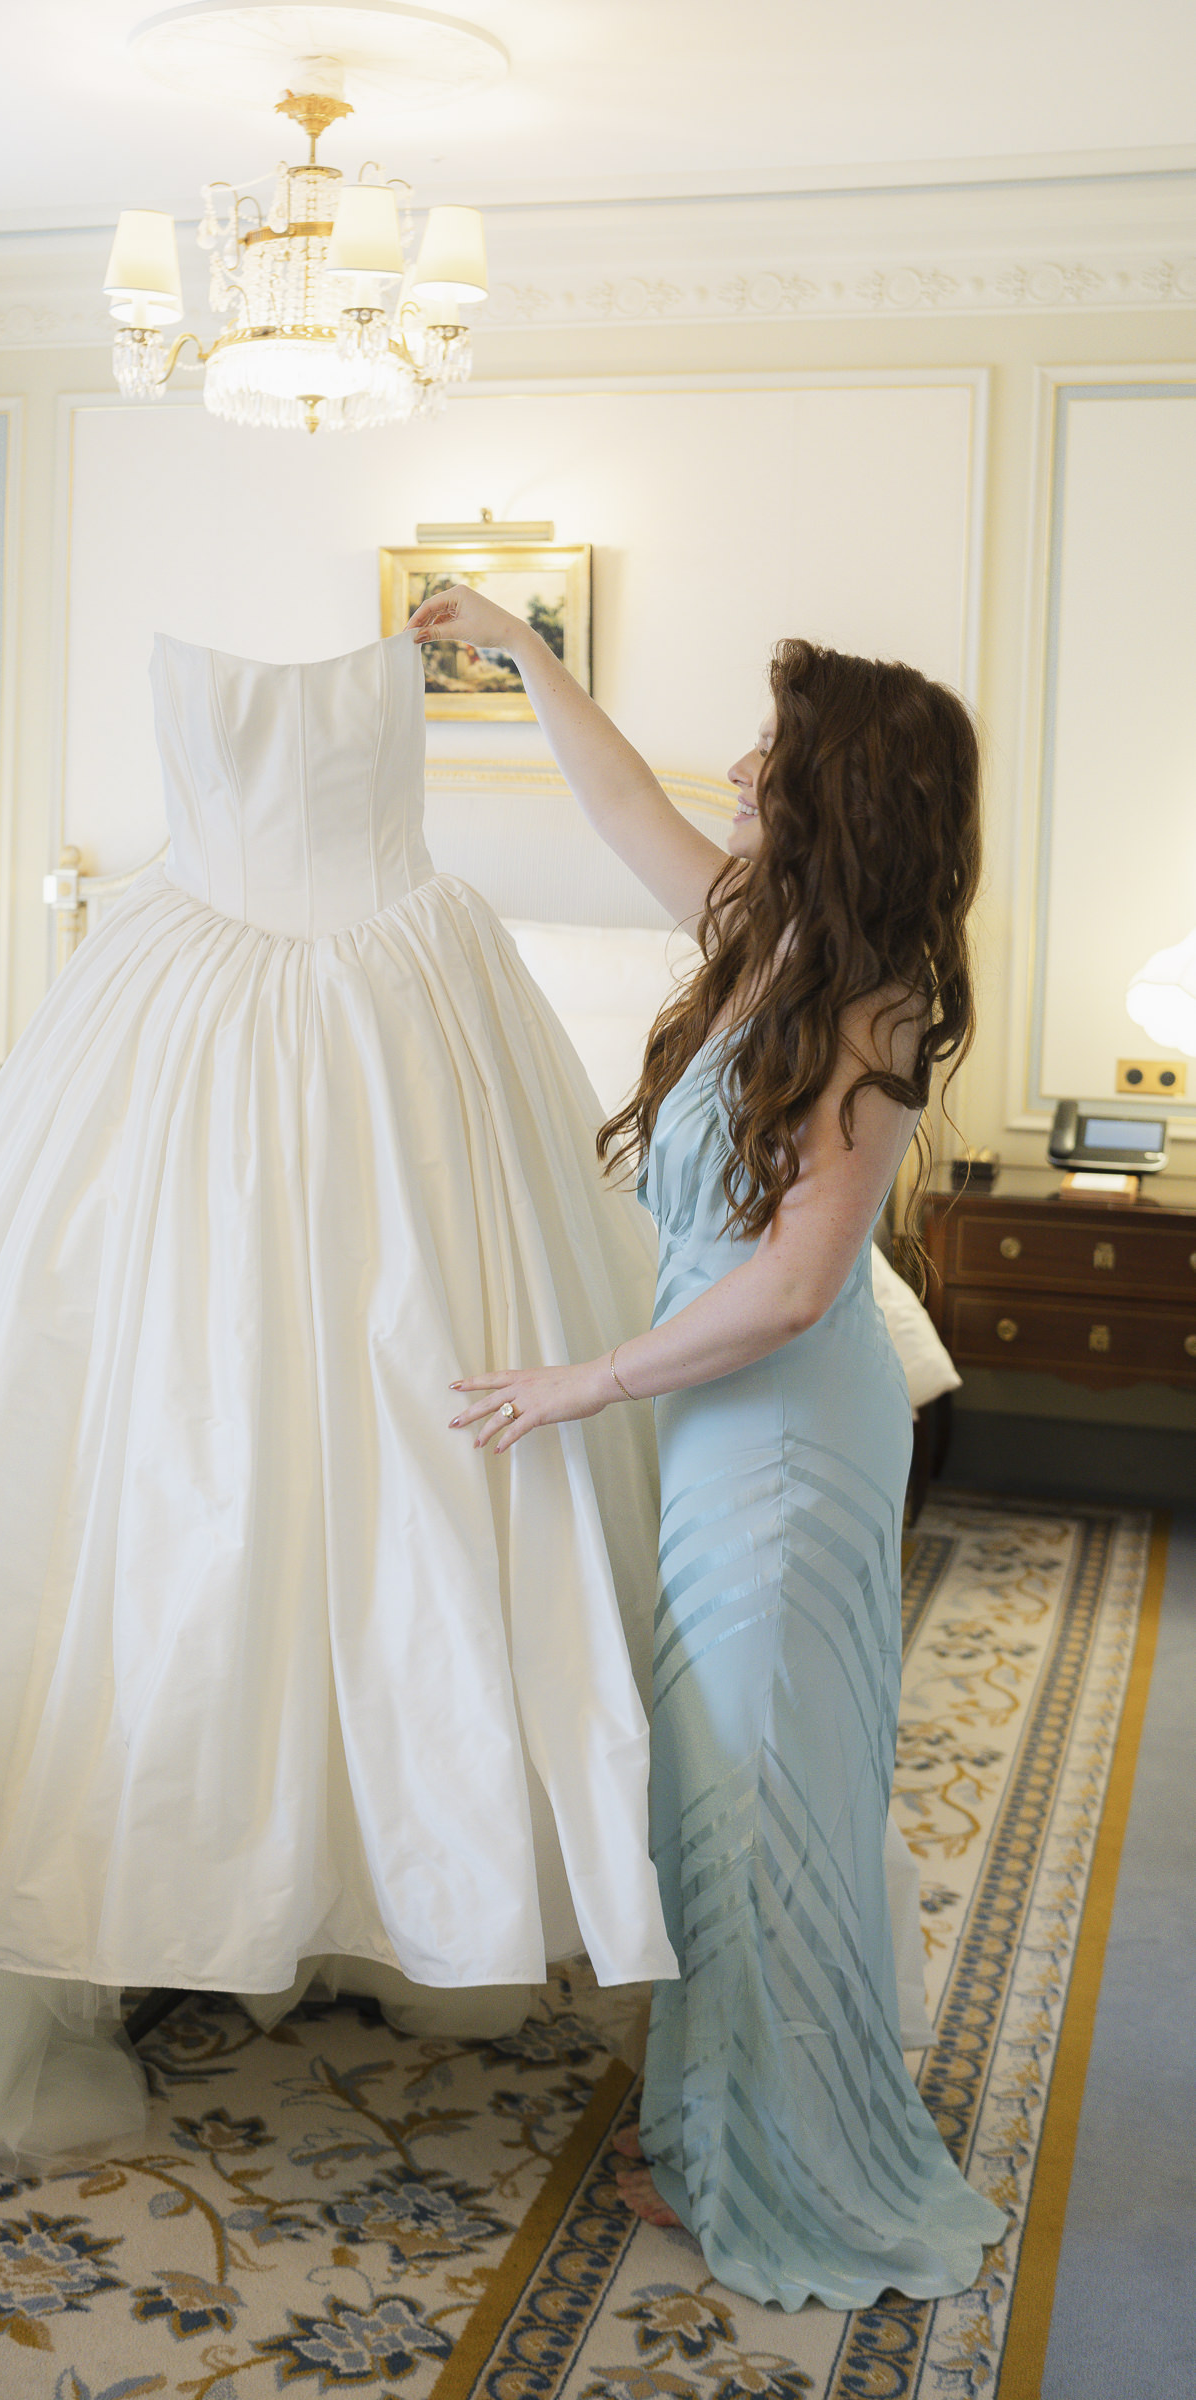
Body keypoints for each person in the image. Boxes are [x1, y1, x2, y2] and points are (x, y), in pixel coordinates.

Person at [0, 627, 678, 2169]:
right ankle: (211, 1896)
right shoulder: (219, 935)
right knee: (168, 1450)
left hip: (355, 1028)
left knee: (377, 1457)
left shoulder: (417, 944)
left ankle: (361, 1893)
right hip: (261, 1021)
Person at [417, 585, 1008, 2311]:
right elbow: (615, 806)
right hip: (712, 1443)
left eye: (773, 746)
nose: (740, 765)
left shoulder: (871, 1006)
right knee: (716, 1795)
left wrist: (579, 1381)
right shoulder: (765, 938)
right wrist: (528, 655)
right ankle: (728, 2104)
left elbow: (795, 1286)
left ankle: (790, 2147)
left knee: (756, 1800)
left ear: (840, 789)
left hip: (780, 1450)